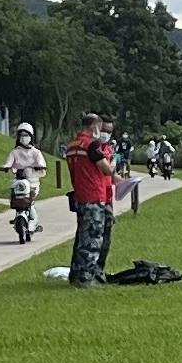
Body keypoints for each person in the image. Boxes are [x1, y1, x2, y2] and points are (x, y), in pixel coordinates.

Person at [64, 112, 118, 284]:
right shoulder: (91, 145)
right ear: (94, 126)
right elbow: (107, 169)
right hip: (94, 196)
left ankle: (76, 273)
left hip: (80, 195)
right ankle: (87, 277)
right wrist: (114, 161)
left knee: (81, 237)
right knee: (93, 238)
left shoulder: (72, 145)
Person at [3, 121, 49, 240]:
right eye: (22, 135)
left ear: (31, 137)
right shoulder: (15, 152)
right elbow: (9, 162)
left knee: (30, 202)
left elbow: (42, 165)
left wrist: (38, 167)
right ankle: (19, 215)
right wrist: (6, 167)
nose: (24, 138)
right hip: (19, 183)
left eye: (26, 135)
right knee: (17, 199)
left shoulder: (35, 153)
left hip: (32, 183)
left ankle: (33, 220)